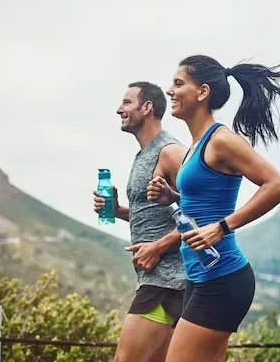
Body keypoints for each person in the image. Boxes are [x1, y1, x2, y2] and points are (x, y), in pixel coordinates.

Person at [146, 55, 280, 362]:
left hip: (222, 279)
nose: (169, 90)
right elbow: (202, 202)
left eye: (178, 83)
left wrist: (222, 227)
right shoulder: (195, 146)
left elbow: (277, 186)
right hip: (199, 277)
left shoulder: (221, 140)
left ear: (203, 92)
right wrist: (173, 197)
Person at [92, 81, 187, 362]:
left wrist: (157, 247)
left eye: (126, 103)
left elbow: (203, 214)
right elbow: (159, 212)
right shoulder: (144, 155)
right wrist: (119, 211)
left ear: (147, 108)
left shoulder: (170, 152)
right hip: (160, 280)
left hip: (168, 281)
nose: (119, 109)